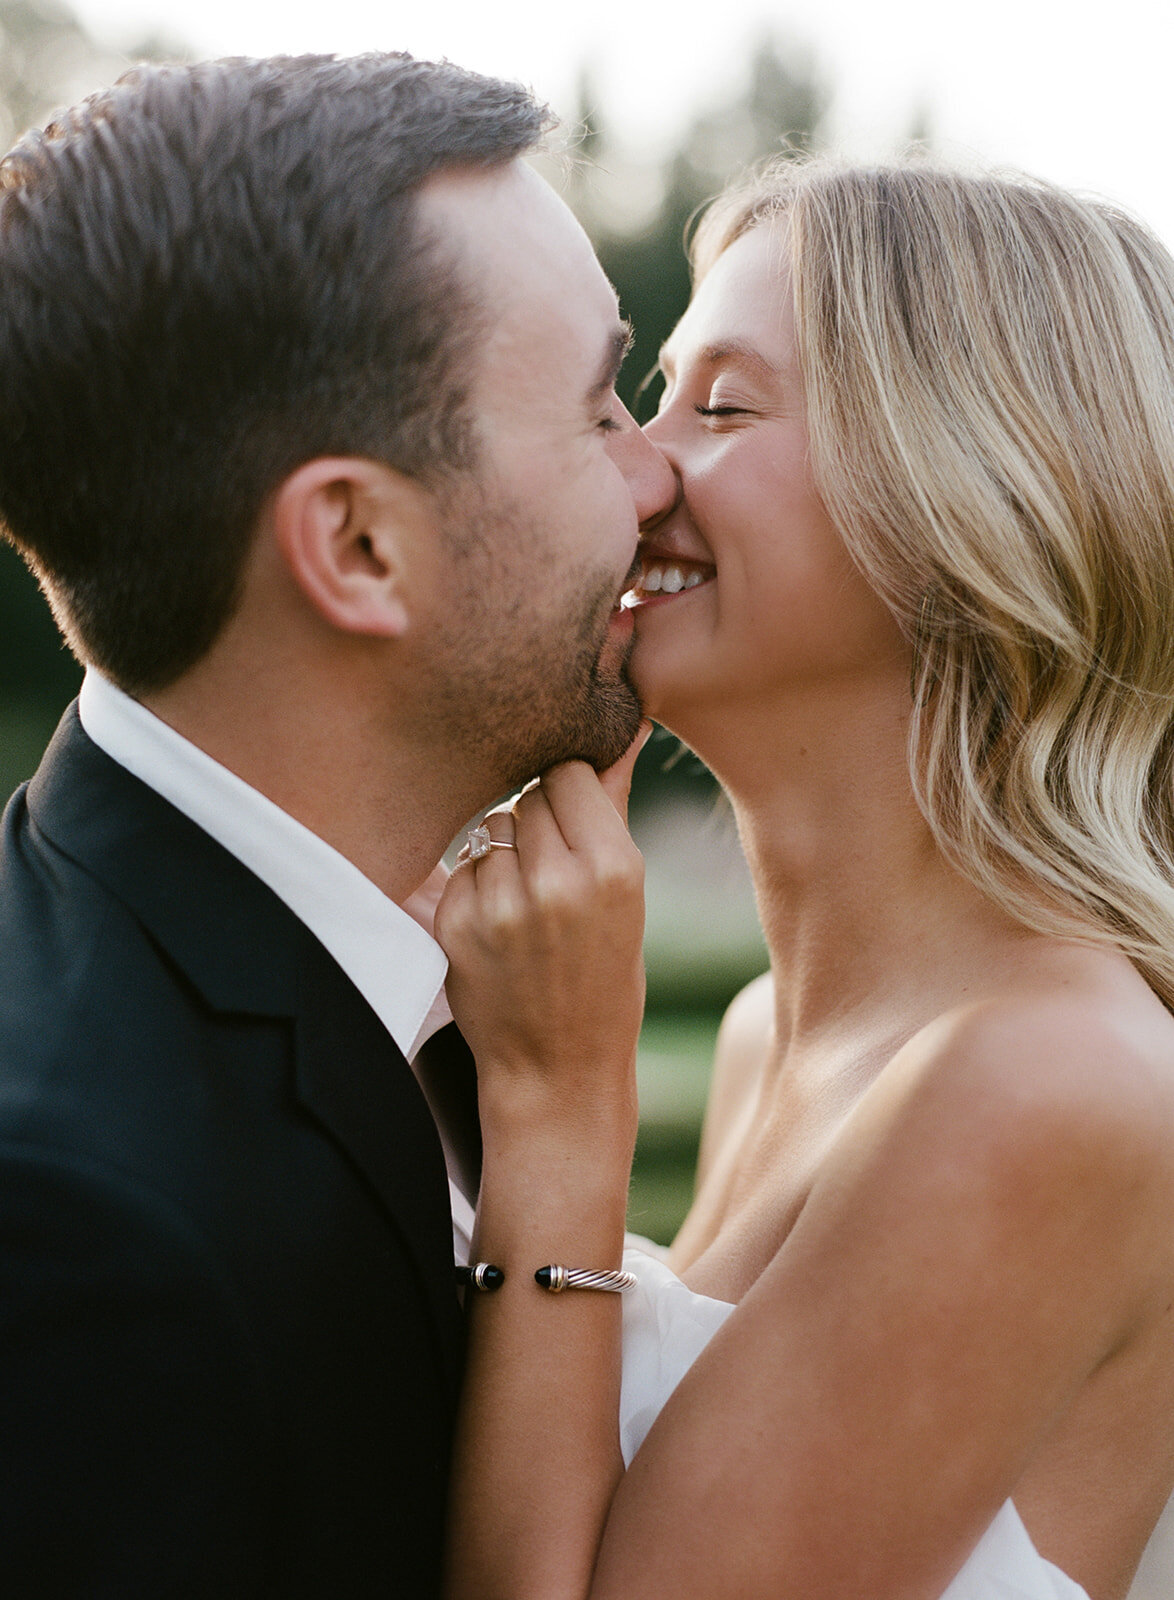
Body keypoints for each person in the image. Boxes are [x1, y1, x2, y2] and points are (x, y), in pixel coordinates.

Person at [436, 157, 1174, 1600]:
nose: (636, 466)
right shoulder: (765, 1032)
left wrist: (559, 1116)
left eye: (720, 408)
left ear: (974, 496)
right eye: (654, 397)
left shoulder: (1047, 1084)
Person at [0, 53, 673, 1596]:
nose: (657, 475)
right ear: (360, 545)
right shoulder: (71, 1232)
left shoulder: (437, 981)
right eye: (597, 411)